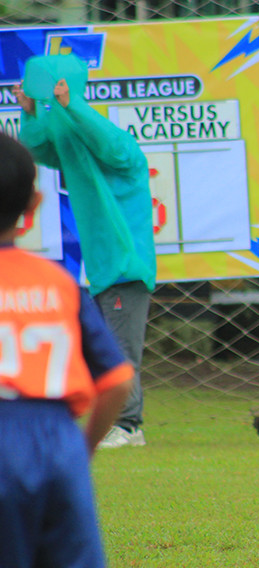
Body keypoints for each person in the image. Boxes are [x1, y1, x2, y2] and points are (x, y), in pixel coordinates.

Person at [0, 134, 135, 568]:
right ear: (34, 206)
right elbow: (117, 380)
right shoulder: (56, 283)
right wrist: (81, 450)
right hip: (54, 443)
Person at [14, 54, 156, 447]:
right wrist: (30, 112)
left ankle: (128, 426)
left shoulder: (122, 152)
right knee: (111, 346)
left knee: (121, 349)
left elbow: (106, 142)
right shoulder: (80, 151)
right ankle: (124, 423)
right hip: (106, 266)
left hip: (127, 266)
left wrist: (69, 104)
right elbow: (43, 151)